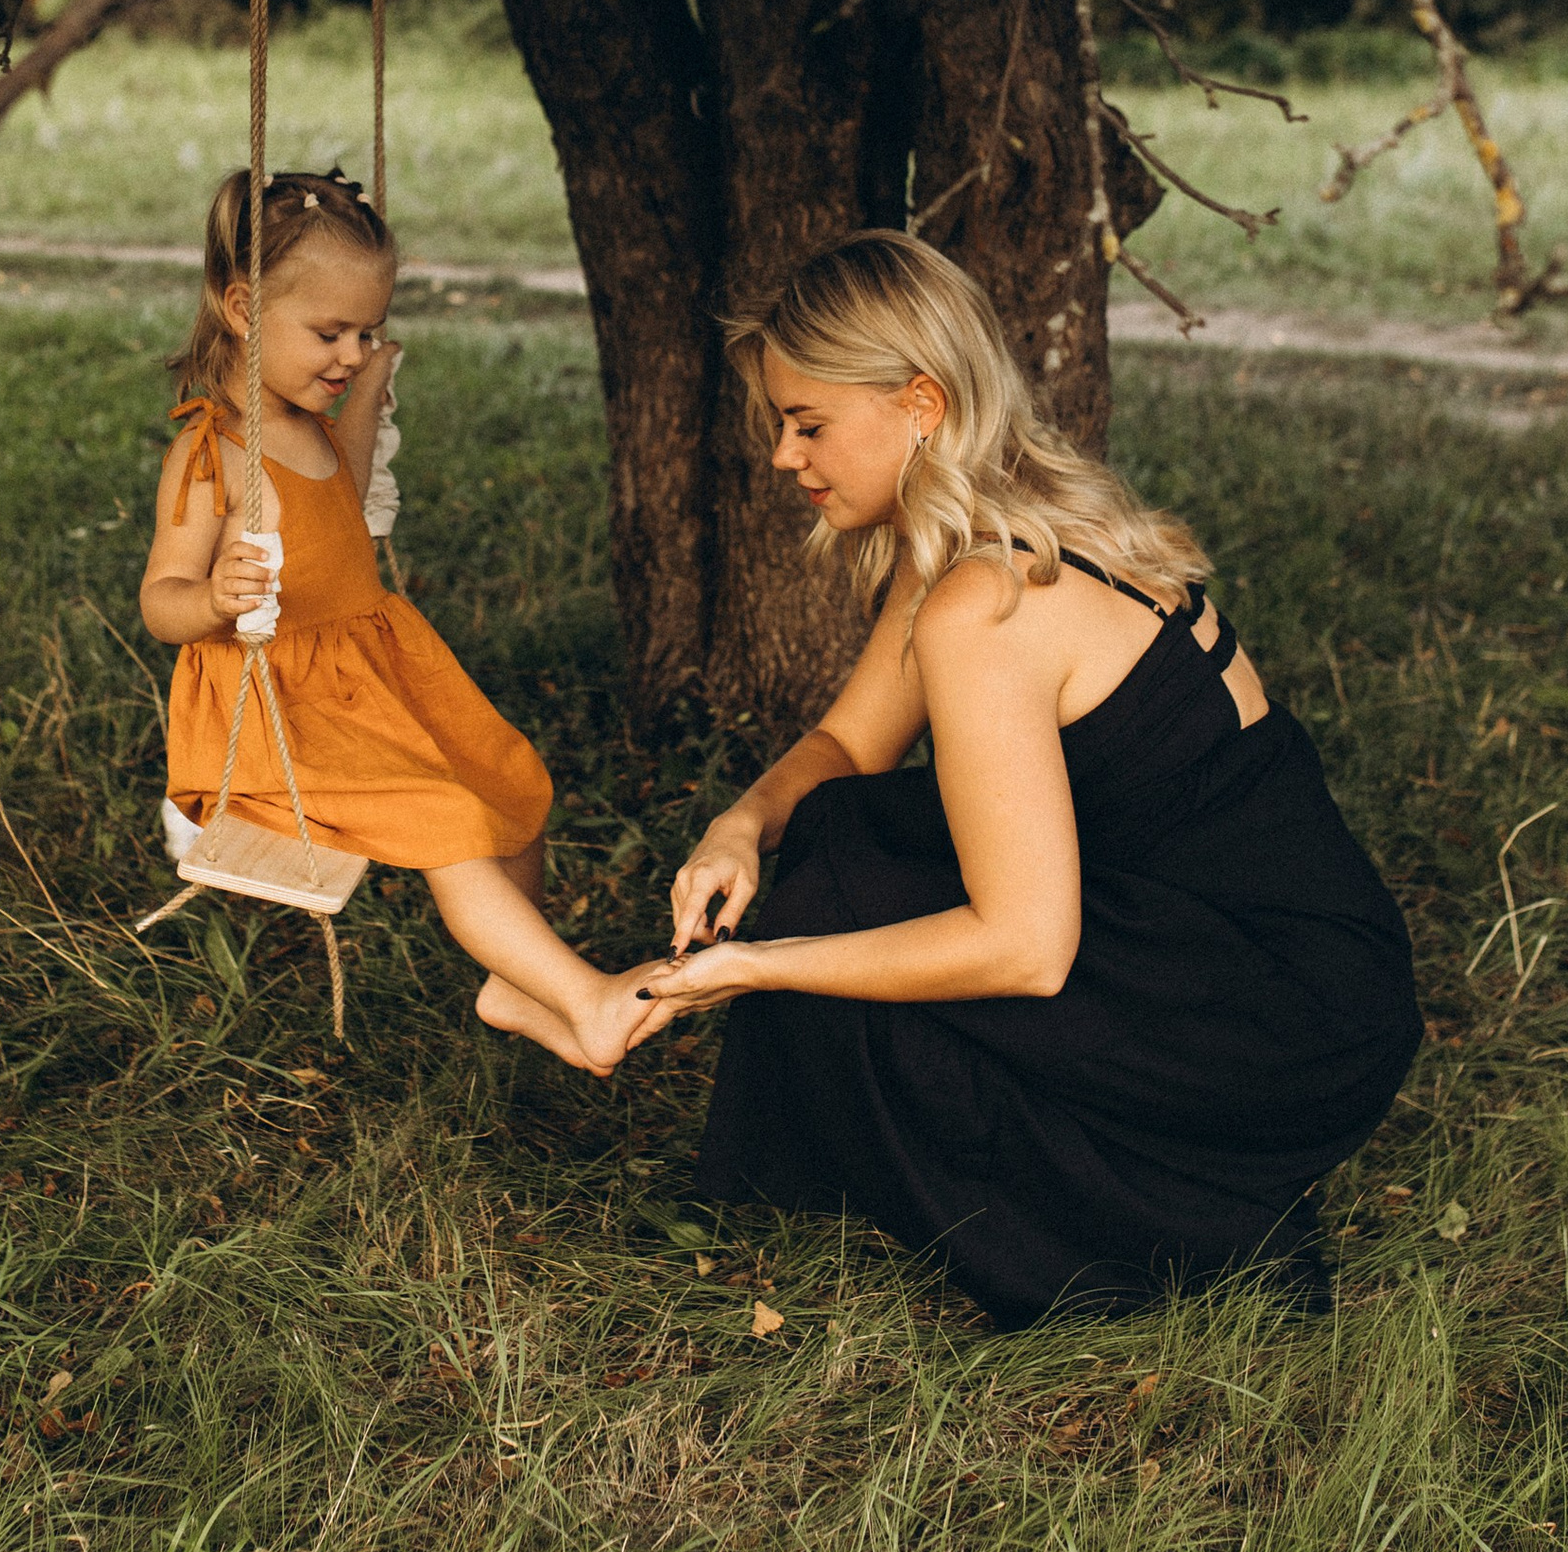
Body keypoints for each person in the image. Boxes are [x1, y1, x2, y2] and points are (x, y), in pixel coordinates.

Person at [631, 232, 1421, 1327]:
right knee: (836, 831)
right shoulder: (985, 535)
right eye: (780, 424)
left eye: (807, 423)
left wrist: (766, 968)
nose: (782, 457)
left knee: (848, 918)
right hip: (1281, 962)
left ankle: (1170, 1225)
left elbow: (1023, 951)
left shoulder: (985, 606)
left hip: (1280, 1022)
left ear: (919, 402)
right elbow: (850, 750)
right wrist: (738, 826)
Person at [140, 167, 653, 1071]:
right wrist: (214, 599)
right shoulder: (212, 455)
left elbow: (348, 467)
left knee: (510, 785)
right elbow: (160, 604)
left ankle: (516, 985)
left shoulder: (313, 422)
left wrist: (371, 380)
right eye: (329, 332)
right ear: (244, 312)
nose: (349, 352)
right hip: (276, 717)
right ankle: (586, 997)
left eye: (367, 330)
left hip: (367, 672)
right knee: (452, 821)